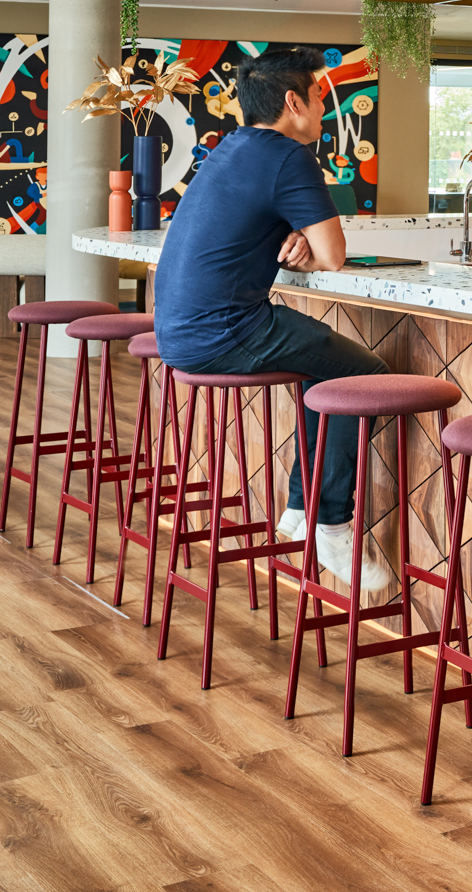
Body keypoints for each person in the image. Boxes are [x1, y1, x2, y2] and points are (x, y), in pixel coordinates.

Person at [152, 44, 390, 591]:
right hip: (225, 331)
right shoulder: (287, 156)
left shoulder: (233, 147)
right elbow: (333, 256)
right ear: (293, 101)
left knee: (323, 367)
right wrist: (308, 235)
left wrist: (296, 233)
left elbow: (273, 225)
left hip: (179, 330)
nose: (325, 111)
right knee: (364, 378)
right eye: (319, 98)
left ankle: (301, 511)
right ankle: (330, 521)